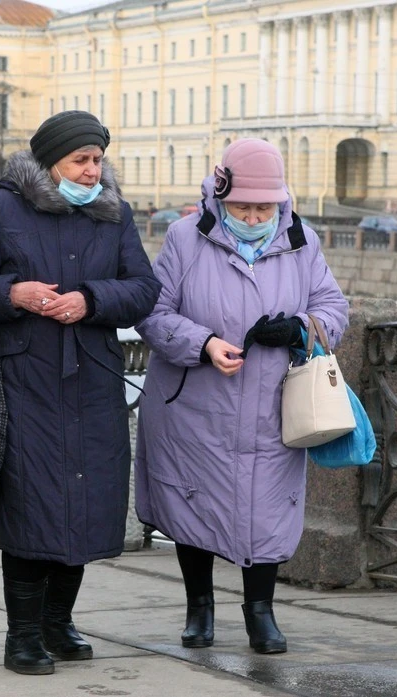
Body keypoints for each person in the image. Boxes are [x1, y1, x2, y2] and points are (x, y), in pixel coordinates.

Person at [0, 111, 161, 676]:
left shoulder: (114, 215)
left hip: (93, 382)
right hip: (21, 386)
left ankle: (58, 621)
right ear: (49, 163)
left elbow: (143, 290)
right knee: (28, 506)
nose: (93, 172)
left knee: (88, 504)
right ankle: (22, 636)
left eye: (98, 160)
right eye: (80, 161)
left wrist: (91, 300)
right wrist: (12, 293)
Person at [134, 139, 349, 654]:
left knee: (268, 508)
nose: (254, 216)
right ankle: (199, 608)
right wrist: (202, 343)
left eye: (264, 207)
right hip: (194, 405)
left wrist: (301, 327)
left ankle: (261, 613)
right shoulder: (187, 238)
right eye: (243, 207)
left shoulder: (302, 241)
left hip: (272, 407)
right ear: (220, 194)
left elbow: (333, 308)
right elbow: (152, 313)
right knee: (193, 504)